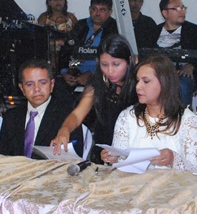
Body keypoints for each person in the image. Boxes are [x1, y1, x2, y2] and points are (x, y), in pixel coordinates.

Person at [50, 33, 136, 165]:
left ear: (129, 61)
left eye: (116, 64)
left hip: (134, 151)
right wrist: (65, 129)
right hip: (103, 153)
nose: (110, 70)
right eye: (104, 64)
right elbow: (77, 115)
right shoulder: (97, 85)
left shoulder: (139, 85)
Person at [107, 54, 197, 172]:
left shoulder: (187, 119)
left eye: (146, 81)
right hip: (133, 182)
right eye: (137, 81)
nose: (138, 86)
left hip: (172, 183)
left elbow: (196, 171)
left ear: (164, 83)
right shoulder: (127, 117)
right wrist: (113, 158)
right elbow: (120, 164)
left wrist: (173, 159)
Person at [0, 59, 78, 157]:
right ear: (22, 88)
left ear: (52, 85)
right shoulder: (11, 117)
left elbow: (75, 158)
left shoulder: (68, 117)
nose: (36, 89)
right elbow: (2, 156)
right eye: (30, 84)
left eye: (42, 83)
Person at [147, 0, 197, 107]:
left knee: (182, 85)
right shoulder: (154, 32)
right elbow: (146, 55)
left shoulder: (194, 31)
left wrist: (192, 66)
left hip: (183, 75)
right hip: (159, 74)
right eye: (176, 8)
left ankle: (182, 115)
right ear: (165, 13)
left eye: (183, 8)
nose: (182, 11)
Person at [60, 0, 118, 88]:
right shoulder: (81, 25)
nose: (97, 13)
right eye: (94, 9)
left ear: (110, 12)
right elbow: (66, 51)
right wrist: (65, 73)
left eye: (102, 10)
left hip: (102, 76)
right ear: (89, 9)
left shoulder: (115, 29)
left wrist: (92, 74)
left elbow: (116, 61)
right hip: (75, 73)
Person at [36, 0, 77, 67]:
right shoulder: (44, 18)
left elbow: (78, 37)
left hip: (68, 54)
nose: (58, 2)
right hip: (48, 56)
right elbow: (40, 39)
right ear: (49, 2)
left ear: (65, 2)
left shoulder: (71, 18)